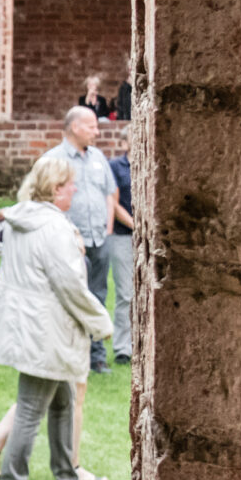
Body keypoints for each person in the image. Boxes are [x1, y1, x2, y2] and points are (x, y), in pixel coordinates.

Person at [0, 153, 115, 480]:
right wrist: (101, 324)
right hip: (46, 329)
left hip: (29, 324)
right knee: (29, 410)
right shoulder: (54, 228)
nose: (75, 188)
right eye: (71, 184)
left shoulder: (21, 219)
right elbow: (69, 285)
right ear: (56, 189)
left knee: (64, 403)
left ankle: (66, 478)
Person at [46, 106, 124, 372]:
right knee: (69, 298)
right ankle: (68, 354)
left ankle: (97, 357)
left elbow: (109, 194)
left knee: (98, 296)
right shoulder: (53, 160)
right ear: (75, 127)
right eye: (91, 126)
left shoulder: (99, 157)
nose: (97, 131)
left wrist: (108, 229)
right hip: (69, 243)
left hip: (99, 239)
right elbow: (44, 201)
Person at [109, 148, 134, 364]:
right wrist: (136, 225)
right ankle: (123, 348)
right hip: (123, 235)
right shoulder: (116, 167)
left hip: (150, 238)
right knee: (125, 293)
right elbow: (113, 203)